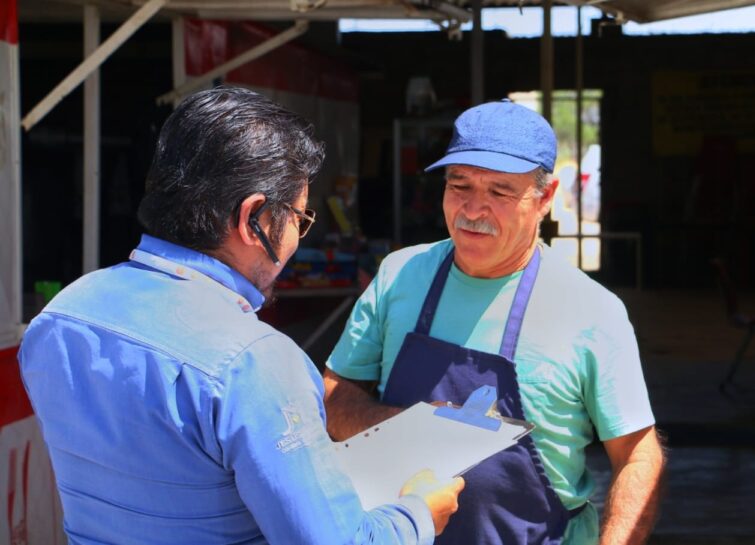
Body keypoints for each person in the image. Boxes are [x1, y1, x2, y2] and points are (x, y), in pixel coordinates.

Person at [18, 87, 463, 545]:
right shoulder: (254, 361)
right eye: (298, 218)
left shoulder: (63, 314)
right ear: (254, 218)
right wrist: (418, 513)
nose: (297, 238)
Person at [324, 99, 665, 545]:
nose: (473, 210)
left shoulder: (592, 311)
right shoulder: (399, 275)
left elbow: (639, 456)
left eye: (500, 192)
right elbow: (333, 396)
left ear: (545, 197)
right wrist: (408, 427)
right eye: (459, 185)